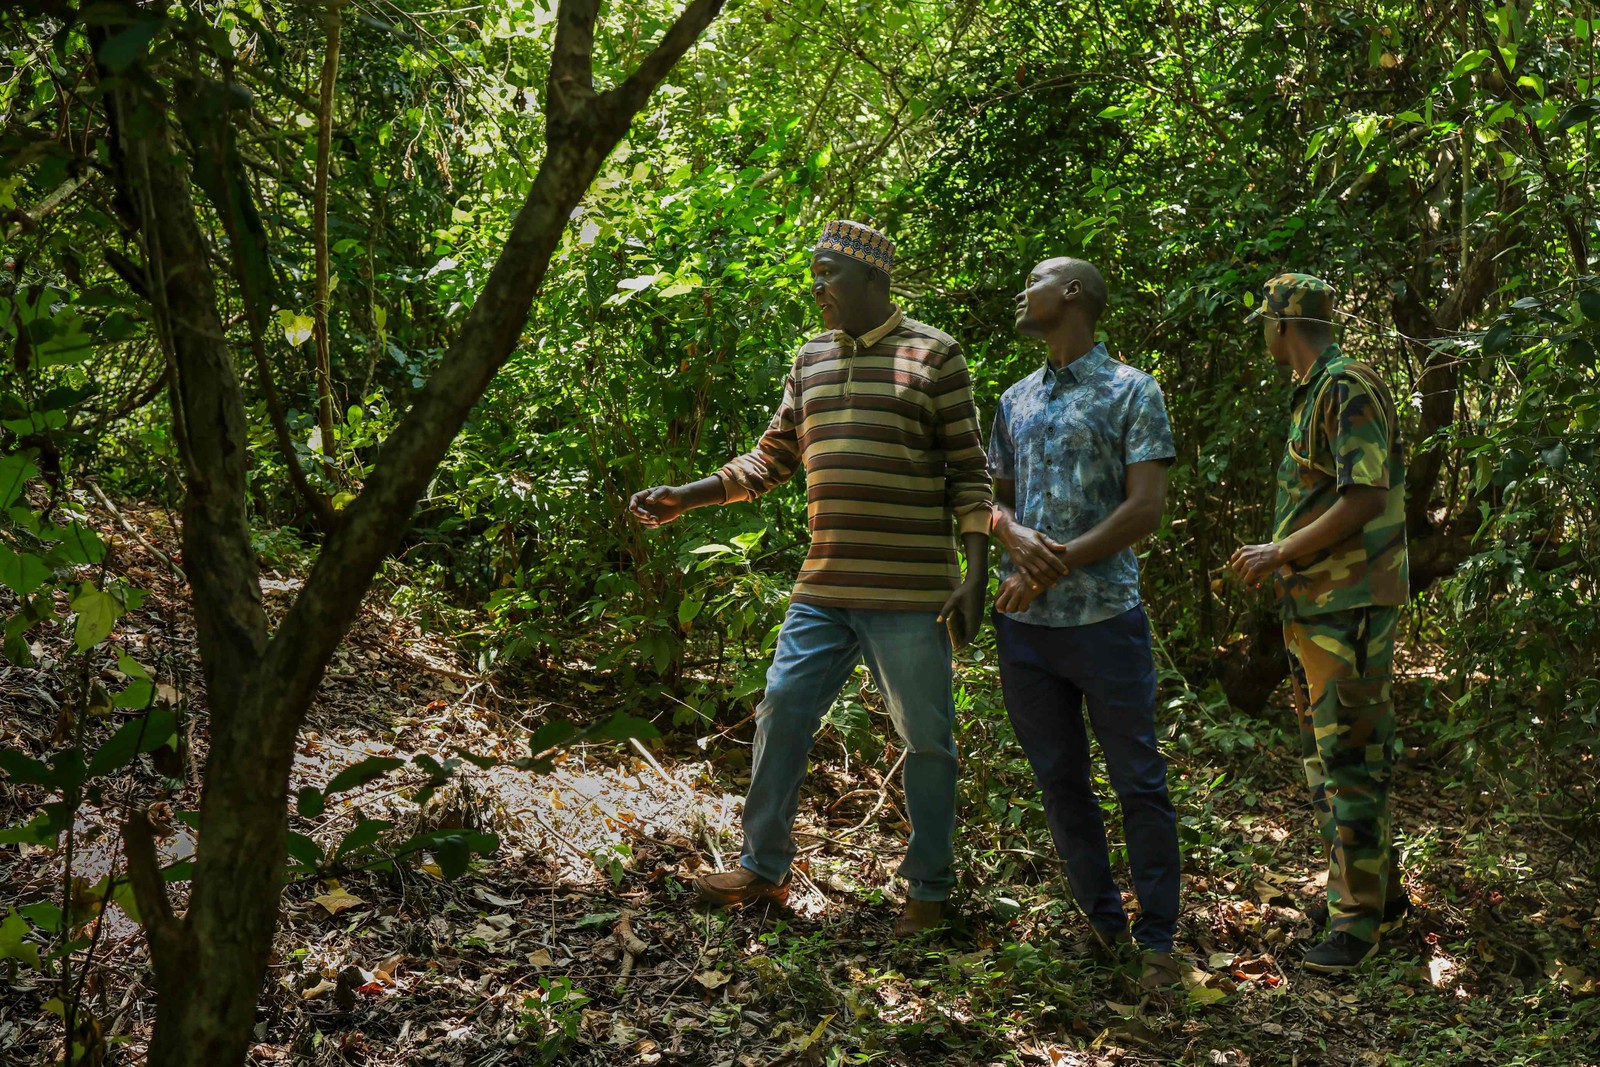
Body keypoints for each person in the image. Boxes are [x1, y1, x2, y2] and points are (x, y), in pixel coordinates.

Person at [629, 220, 991, 936]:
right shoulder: (812, 358)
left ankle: (929, 889)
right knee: (783, 707)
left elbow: (970, 476)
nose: (818, 288)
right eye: (814, 275)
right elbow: (768, 461)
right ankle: (763, 869)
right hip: (825, 586)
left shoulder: (935, 355)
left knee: (927, 738)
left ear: (871, 280)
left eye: (830, 274)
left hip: (912, 590)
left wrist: (975, 572)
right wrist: (686, 496)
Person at [987, 257, 1182, 991]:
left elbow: (1145, 509)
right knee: (1061, 779)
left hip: (1107, 623)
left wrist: (1055, 559)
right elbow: (990, 499)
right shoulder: (1013, 399)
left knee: (1138, 778)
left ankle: (1158, 938)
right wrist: (1008, 540)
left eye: (1032, 278)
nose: (1021, 288)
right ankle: (1103, 928)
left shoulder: (1133, 390)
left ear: (1071, 295)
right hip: (1027, 633)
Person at [1229, 272, 1410, 974]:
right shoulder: (1315, 390)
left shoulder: (1346, 384)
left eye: (1265, 327)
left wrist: (1280, 550)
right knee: (1326, 760)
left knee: (1351, 760)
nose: (1265, 339)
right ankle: (1373, 892)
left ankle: (1357, 923)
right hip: (1315, 605)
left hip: (1348, 606)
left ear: (1282, 325)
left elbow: (1364, 495)